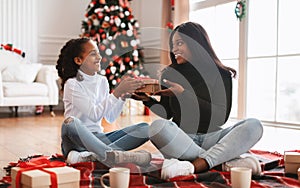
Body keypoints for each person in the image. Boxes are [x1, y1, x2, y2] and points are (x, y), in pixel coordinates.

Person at [133, 22, 263, 179]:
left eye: (180, 43)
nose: (174, 50)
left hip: (213, 137)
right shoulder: (170, 74)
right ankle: (221, 163)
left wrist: (184, 94)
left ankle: (194, 165)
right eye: (172, 45)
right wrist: (147, 100)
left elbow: (221, 116)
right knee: (156, 128)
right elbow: (167, 114)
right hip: (182, 138)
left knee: (254, 125)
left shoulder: (222, 74)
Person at [56, 37, 151, 166]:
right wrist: (116, 93)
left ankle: (96, 156)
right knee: (70, 123)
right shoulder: (72, 84)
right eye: (93, 54)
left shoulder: (102, 81)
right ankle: (110, 155)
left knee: (145, 128)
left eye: (98, 53)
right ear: (78, 60)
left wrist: (122, 97)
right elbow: (94, 114)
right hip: (75, 142)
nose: (99, 57)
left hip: (98, 139)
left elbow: (109, 117)